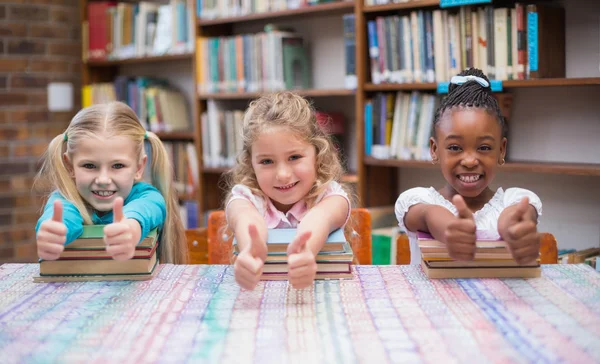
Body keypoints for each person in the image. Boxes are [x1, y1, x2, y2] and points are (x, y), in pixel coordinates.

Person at [395, 68, 542, 266]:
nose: (470, 161)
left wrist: (513, 230)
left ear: (501, 150)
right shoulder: (417, 201)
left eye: (484, 147)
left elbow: (515, 218)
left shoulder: (514, 201)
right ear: (435, 150)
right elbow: (428, 215)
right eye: (455, 147)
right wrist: (451, 230)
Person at [224, 92, 351, 290]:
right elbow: (245, 219)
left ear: (317, 154)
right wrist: (250, 250)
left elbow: (320, 219)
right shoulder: (245, 197)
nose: (282, 175)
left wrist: (305, 251)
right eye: (267, 161)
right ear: (251, 164)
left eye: (294, 157)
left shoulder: (331, 197)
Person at [35, 101, 187, 264]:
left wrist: (130, 229)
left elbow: (144, 210)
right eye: (89, 166)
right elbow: (62, 217)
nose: (103, 180)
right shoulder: (64, 200)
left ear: (139, 167)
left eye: (117, 166)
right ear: (70, 166)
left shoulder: (148, 197)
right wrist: (54, 233)